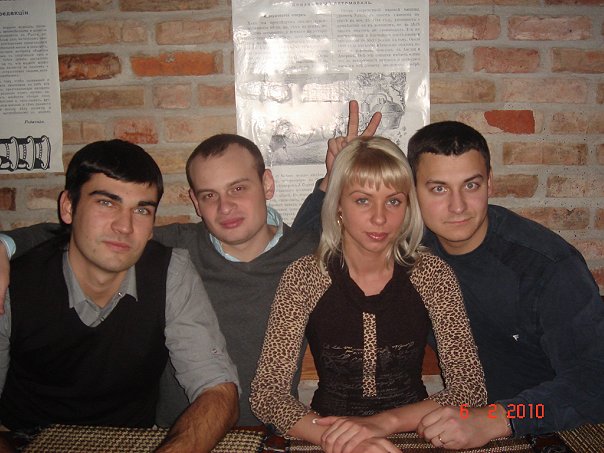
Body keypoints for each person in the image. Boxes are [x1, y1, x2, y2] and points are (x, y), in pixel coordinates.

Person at [0, 109, 380, 426]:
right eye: (209, 195)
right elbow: (82, 234)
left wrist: (338, 182)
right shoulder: (175, 246)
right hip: (179, 433)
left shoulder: (310, 253)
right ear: (195, 202)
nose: (225, 207)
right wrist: (5, 243)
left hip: (272, 433)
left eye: (238, 188)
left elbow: (377, 237)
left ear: (267, 184)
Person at [294, 117, 604, 449]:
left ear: (490, 183)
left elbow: (594, 383)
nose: (458, 207)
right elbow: (306, 250)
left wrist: (497, 418)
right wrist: (335, 177)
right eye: (439, 189)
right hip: (452, 424)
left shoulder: (546, 267)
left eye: (471, 185)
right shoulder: (410, 244)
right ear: (413, 192)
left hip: (543, 427)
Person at [250, 136, 487, 453]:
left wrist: (381, 424)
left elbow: (470, 388)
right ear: (338, 205)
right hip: (327, 438)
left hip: (416, 433)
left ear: (408, 207)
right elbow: (267, 394)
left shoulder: (432, 274)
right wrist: (343, 440)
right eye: (363, 200)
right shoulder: (304, 277)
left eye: (393, 201)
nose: (379, 218)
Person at [0, 140, 239, 452]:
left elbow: (218, 391)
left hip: (133, 442)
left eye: (141, 210)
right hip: (24, 439)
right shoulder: (13, 282)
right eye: (106, 203)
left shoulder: (169, 272)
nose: (124, 226)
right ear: (68, 207)